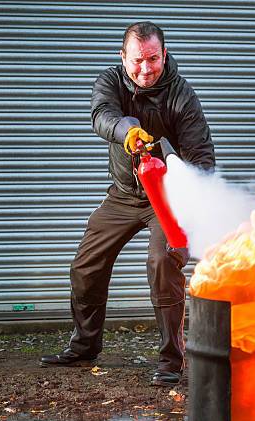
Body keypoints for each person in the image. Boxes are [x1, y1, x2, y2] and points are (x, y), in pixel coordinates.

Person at [40, 21, 215, 386]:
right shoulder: (111, 81)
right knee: (86, 266)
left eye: (153, 59)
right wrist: (127, 131)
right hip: (123, 195)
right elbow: (101, 115)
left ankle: (171, 360)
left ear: (164, 55)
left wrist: (180, 181)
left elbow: (202, 160)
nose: (145, 69)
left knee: (162, 263)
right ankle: (85, 346)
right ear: (123, 57)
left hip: (165, 200)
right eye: (137, 60)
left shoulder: (183, 96)